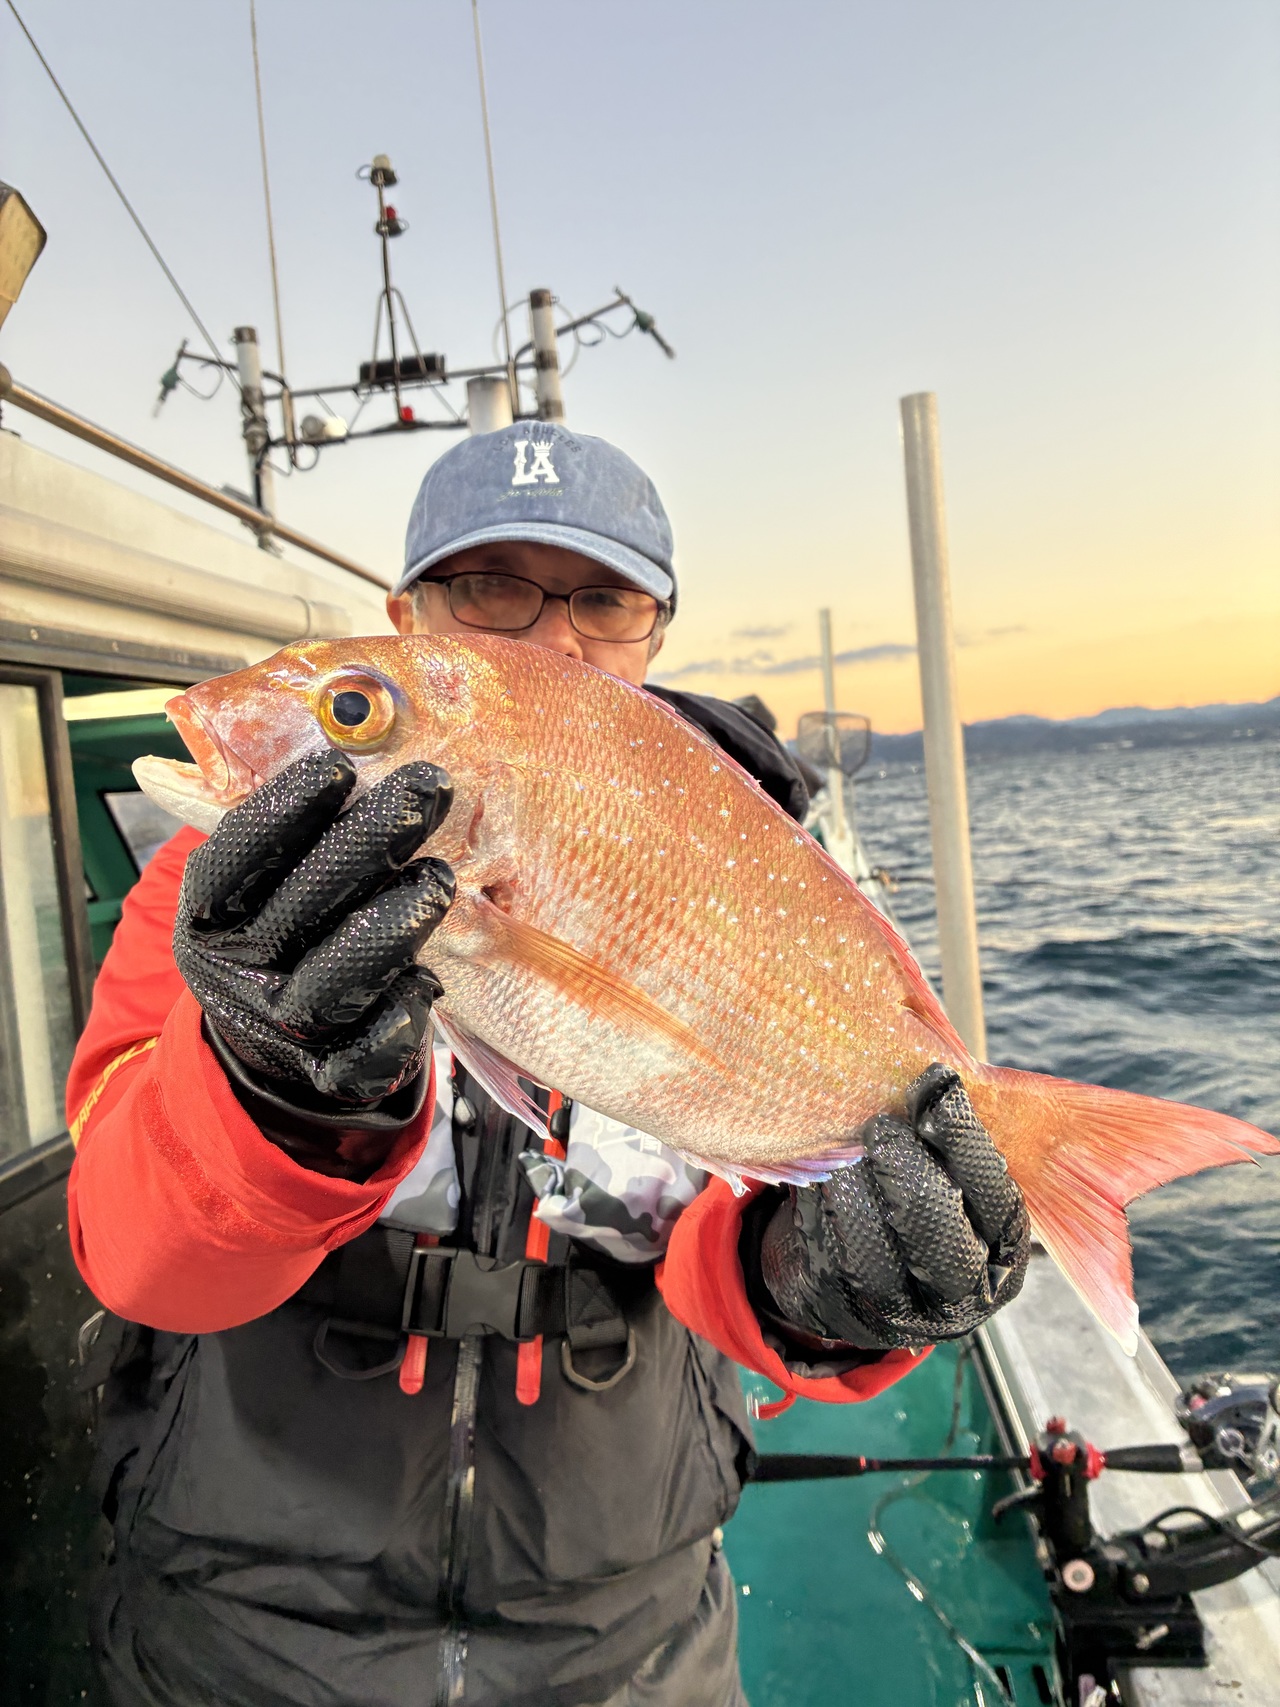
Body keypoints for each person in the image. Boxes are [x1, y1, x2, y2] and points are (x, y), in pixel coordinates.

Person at [68, 422, 1030, 1707]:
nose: (556, 642)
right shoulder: (220, 896)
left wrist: (816, 1283)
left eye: (603, 600)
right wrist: (270, 1081)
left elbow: (725, 1260)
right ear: (407, 617)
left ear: (655, 632)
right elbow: (138, 1257)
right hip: (247, 1628)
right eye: (489, 589)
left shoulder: (742, 874)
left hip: (627, 1631)